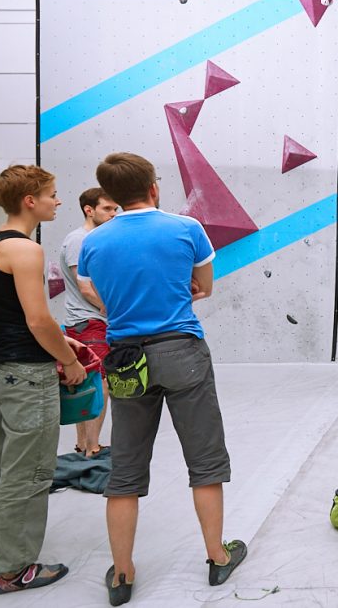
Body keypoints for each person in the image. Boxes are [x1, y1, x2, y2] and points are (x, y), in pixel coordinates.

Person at [78, 153, 244, 605]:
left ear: (109, 195)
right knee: (205, 459)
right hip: (181, 352)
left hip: (127, 359)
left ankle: (123, 574)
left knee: (126, 469)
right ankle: (217, 555)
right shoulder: (186, 228)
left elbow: (97, 294)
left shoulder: (94, 242)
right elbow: (204, 286)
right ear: (153, 187)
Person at [0, 165, 87, 594]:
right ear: (29, 201)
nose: (58, 200)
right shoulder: (26, 250)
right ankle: (14, 569)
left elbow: (16, 317)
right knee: (30, 471)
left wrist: (65, 345)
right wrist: (69, 362)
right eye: (52, 194)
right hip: (24, 376)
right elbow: (37, 321)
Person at [59, 187, 119, 457]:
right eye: (107, 209)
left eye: (115, 209)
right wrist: (111, 311)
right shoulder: (79, 240)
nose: (113, 214)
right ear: (89, 209)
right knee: (100, 384)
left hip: (90, 321)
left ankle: (84, 445)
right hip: (89, 322)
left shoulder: (93, 238)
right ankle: (92, 447)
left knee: (90, 382)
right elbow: (85, 288)